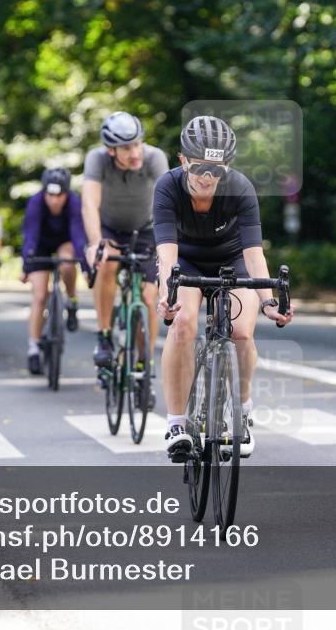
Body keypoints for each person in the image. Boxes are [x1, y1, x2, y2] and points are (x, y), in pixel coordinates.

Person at [155, 116, 294, 460]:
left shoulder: (240, 187)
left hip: (232, 260)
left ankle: (242, 411)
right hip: (185, 262)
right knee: (183, 323)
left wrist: (268, 302)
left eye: (216, 170)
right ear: (183, 160)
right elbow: (166, 254)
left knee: (242, 331)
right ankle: (176, 423)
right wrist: (166, 296)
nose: (207, 177)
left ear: (227, 168)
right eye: (199, 167)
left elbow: (254, 254)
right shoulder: (167, 187)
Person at [82, 111, 169, 372]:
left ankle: (145, 361)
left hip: (147, 230)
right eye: (126, 148)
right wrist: (96, 243)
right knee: (106, 263)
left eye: (137, 144)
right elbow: (89, 203)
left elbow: (169, 203)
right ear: (111, 150)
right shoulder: (97, 159)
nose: (135, 153)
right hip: (110, 229)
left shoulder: (154, 157)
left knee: (149, 297)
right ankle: (104, 336)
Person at [21, 168, 86, 375]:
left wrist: (85, 266)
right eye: (50, 195)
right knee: (40, 295)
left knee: (67, 262)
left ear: (66, 193)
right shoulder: (36, 202)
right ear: (44, 192)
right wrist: (26, 265)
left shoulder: (74, 202)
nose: (54, 201)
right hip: (40, 244)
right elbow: (30, 235)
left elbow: (78, 235)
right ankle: (33, 348)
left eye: (59, 196)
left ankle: (71, 299)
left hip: (64, 242)